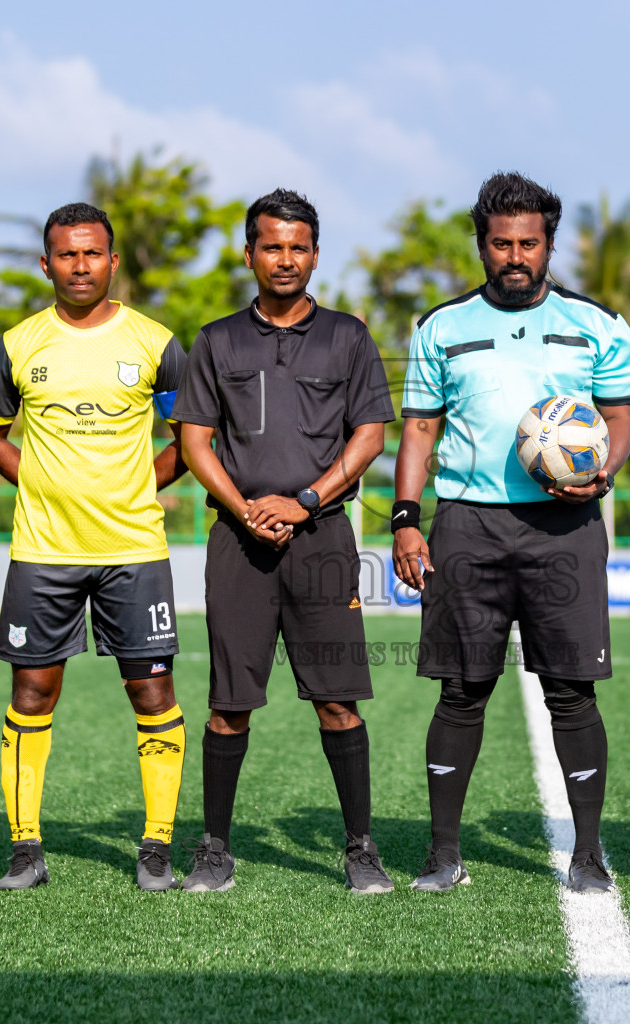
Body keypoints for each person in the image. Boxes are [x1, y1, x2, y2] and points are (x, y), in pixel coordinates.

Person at [394, 172, 630, 894]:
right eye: (501, 243)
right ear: (481, 244)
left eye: (528, 243)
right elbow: (418, 428)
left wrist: (605, 472)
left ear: (548, 245)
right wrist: (408, 521)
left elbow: (621, 416)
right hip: (468, 524)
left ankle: (589, 852)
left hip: (565, 526)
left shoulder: (596, 324)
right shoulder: (441, 327)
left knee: (571, 692)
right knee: (461, 691)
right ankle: (444, 854)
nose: (515, 256)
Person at [173, 189, 395, 894]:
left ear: (316, 254)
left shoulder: (348, 338)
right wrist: (243, 508)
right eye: (272, 245)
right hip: (238, 543)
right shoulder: (216, 340)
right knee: (228, 702)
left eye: (298, 246)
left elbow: (369, 434)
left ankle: (360, 849)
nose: (286, 258)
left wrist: (305, 501)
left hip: (323, 537)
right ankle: (214, 849)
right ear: (249, 254)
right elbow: (194, 439)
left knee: (337, 699)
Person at [0, 203, 189, 891]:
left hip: (134, 546)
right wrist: (38, 482)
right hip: (44, 549)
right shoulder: (16, 345)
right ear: (46, 264)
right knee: (33, 690)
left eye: (92, 254)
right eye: (66, 255)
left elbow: (189, 437)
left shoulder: (156, 343)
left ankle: (156, 845)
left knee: (151, 688)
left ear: (112, 262)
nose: (79, 266)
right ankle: (24, 848)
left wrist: (138, 487)